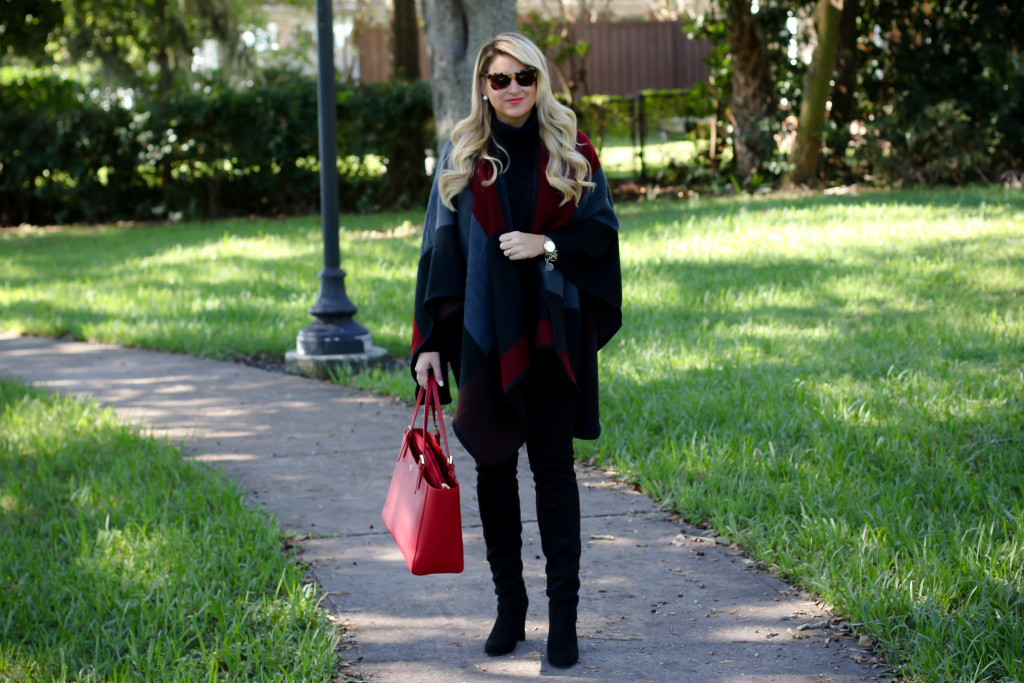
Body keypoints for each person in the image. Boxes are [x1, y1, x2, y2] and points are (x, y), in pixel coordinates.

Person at [411, 31, 621, 669]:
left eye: (523, 78)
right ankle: (510, 608)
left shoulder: (572, 149)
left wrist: (544, 245)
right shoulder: (464, 152)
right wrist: (427, 344)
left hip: (551, 334)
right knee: (494, 469)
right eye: (499, 80)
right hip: (485, 336)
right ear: (483, 84)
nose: (512, 90)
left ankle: (564, 621)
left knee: (553, 472)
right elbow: (437, 253)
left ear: (540, 81)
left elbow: (602, 237)